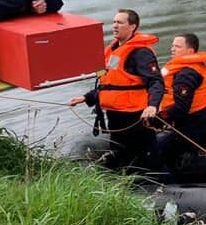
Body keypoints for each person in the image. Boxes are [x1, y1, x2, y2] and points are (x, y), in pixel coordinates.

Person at [69, 9, 164, 171]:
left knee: (146, 155)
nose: (114, 26)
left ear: (132, 26)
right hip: (115, 116)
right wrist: (86, 97)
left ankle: (159, 182)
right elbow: (110, 84)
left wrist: (152, 105)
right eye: (114, 22)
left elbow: (156, 82)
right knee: (121, 153)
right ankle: (126, 183)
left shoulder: (140, 53)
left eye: (119, 23)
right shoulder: (112, 51)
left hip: (136, 116)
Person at [155, 33, 206, 170]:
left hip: (194, 129)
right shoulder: (194, 66)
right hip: (203, 122)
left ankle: (167, 184)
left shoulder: (186, 74)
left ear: (190, 51)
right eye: (172, 46)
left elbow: (181, 107)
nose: (172, 49)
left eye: (177, 46)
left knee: (157, 149)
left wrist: (159, 118)